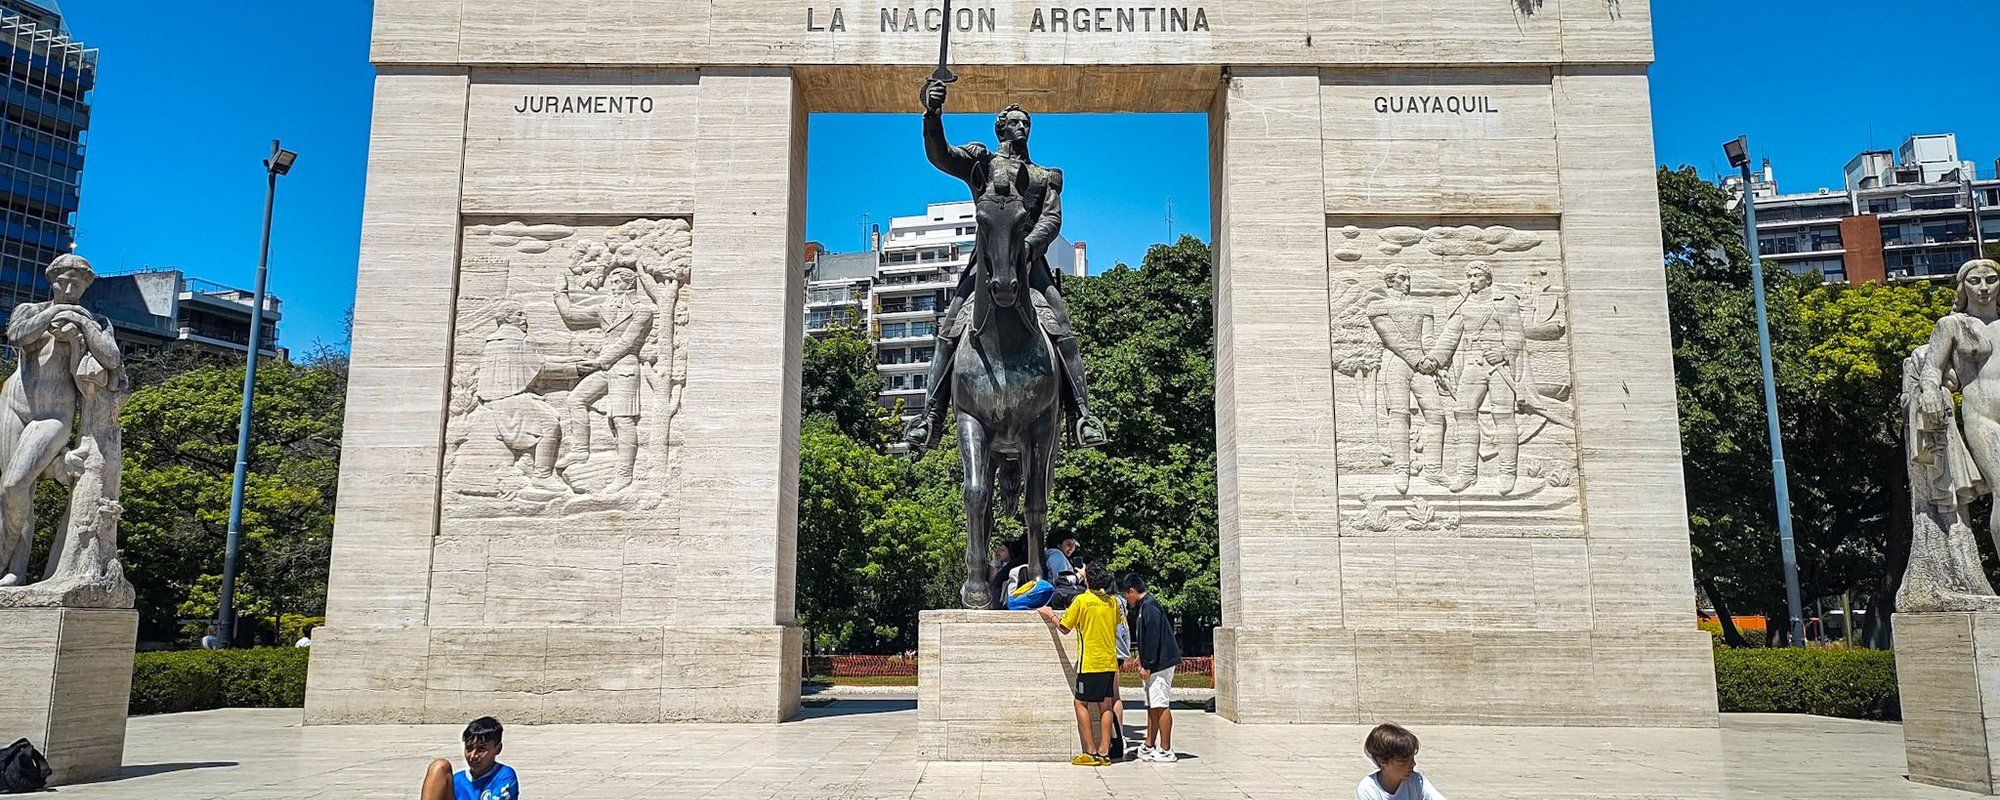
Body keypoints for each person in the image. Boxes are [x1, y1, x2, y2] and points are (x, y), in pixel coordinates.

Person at [901, 77, 1106, 451]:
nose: (1022, 128)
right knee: (950, 327)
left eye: (1026, 123)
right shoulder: (982, 164)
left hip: (1031, 267)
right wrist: (932, 113)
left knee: (1061, 325)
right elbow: (940, 155)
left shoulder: (1045, 176)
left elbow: (1052, 219)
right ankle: (930, 415)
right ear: (1001, 128)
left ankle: (1082, 415)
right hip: (986, 268)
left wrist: (1027, 248)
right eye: (1015, 122)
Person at [1039, 563, 1120, 766]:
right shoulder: (1112, 602)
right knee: (1106, 705)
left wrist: (1050, 615)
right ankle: (1104, 752)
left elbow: (1065, 627)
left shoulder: (1081, 600)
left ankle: (1090, 752)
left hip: (1090, 663)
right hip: (1109, 662)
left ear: (1088, 581)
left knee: (1080, 703)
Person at [1122, 574, 1182, 762]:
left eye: (1126, 595)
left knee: (1161, 704)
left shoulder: (1149, 607)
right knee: (1152, 705)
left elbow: (1153, 637)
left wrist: (1147, 664)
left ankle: (1166, 749)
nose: (1126, 599)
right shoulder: (1144, 607)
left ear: (1132, 591)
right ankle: (1149, 744)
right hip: (1153, 664)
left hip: (1160, 664)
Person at [421, 716, 518, 800]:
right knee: (440, 766)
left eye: (481, 749)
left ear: (498, 749)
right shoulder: (457, 779)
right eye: (469, 748)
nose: (473, 756)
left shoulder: (504, 776)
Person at [1356, 723, 1447, 800]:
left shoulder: (1416, 781)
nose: (1413, 764)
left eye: (1412, 759)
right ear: (1383, 761)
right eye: (1403, 761)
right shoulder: (1367, 789)